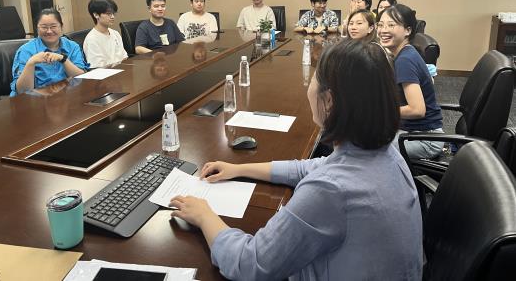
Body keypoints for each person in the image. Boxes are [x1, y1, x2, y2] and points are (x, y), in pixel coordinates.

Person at [169, 39, 423, 280]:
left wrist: (204, 215)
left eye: (313, 80)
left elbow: (250, 264)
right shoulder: (387, 151)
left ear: (329, 100)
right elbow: (312, 167)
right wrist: (239, 169)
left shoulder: (330, 190)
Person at [377, 4, 444, 159]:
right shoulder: (406, 52)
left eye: (391, 25)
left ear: (407, 30)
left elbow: (417, 110)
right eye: (381, 25)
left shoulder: (405, 60)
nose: (383, 30)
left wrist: (381, 111)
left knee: (367, 149)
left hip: (425, 139)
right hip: (412, 131)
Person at [10, 8, 88, 96]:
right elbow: (22, 91)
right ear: (37, 29)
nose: (49, 31)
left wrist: (63, 59)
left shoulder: (72, 46)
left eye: (53, 26)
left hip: (64, 97)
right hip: (33, 100)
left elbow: (81, 78)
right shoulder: (26, 50)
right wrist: (30, 63)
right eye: (44, 27)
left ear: (61, 27)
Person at [83, 0, 128, 68]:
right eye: (108, 14)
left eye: (113, 13)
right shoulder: (92, 39)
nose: (112, 17)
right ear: (96, 15)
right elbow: (97, 67)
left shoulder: (115, 33)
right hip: (105, 73)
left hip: (121, 69)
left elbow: (124, 57)